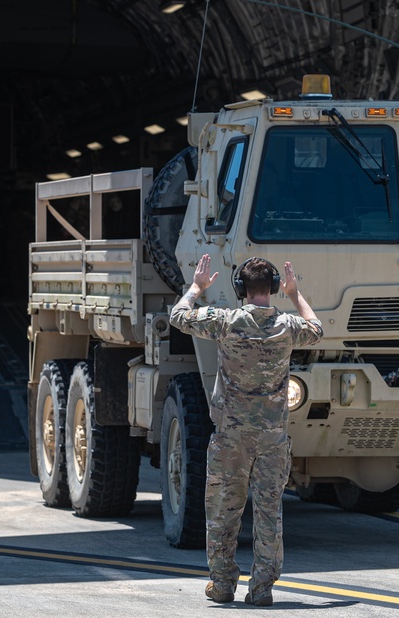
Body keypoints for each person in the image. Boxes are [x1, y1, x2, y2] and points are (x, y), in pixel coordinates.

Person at [170, 254, 323, 607]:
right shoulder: (287, 325)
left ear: (240, 289)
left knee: (223, 509)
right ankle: (263, 588)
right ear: (271, 288)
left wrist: (197, 286)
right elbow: (316, 328)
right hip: (271, 438)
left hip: (231, 437)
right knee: (269, 512)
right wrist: (296, 293)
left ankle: (223, 584)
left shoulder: (226, 321)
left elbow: (179, 316)